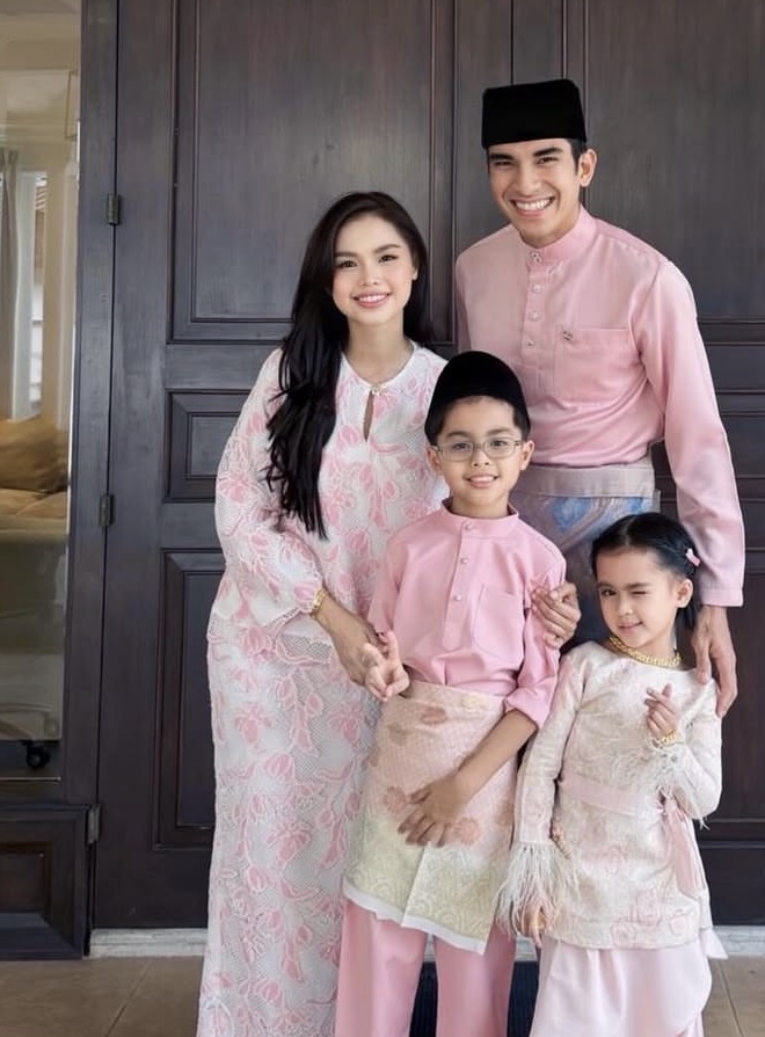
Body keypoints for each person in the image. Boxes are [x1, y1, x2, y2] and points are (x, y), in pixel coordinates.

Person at [197, 196, 575, 1037]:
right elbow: (239, 510)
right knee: (273, 858)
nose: (368, 278)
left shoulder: (448, 388)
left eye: (386, 257)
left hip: (402, 678)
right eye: (347, 262)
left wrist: (546, 607)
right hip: (277, 656)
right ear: (325, 280)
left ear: (414, 269)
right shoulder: (289, 376)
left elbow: (485, 528)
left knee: (368, 873)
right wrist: (334, 621)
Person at [454, 78, 746, 715]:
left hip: (616, 536)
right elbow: (469, 411)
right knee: (499, 714)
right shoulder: (472, 270)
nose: (525, 183)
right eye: (504, 163)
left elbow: (698, 437)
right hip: (502, 521)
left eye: (546, 159)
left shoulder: (648, 278)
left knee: (613, 719)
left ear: (584, 166)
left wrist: (716, 595)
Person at [334, 351, 567, 1037]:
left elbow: (537, 693)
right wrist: (385, 672)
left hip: (484, 777)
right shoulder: (407, 546)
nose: (480, 460)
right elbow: (383, 650)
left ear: (524, 453)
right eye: (460, 445)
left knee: (475, 945)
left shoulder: (540, 561)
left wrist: (462, 786)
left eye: (498, 443)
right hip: (401, 760)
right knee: (376, 930)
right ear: (434, 457)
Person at [499, 512, 725, 1037]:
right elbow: (539, 769)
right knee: (579, 1016)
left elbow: (703, 799)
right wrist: (534, 871)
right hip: (580, 880)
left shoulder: (698, 692)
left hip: (658, 886)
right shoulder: (585, 666)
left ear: (681, 591)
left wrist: (671, 745)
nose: (622, 609)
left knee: (658, 1015)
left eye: (638, 592)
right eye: (608, 592)